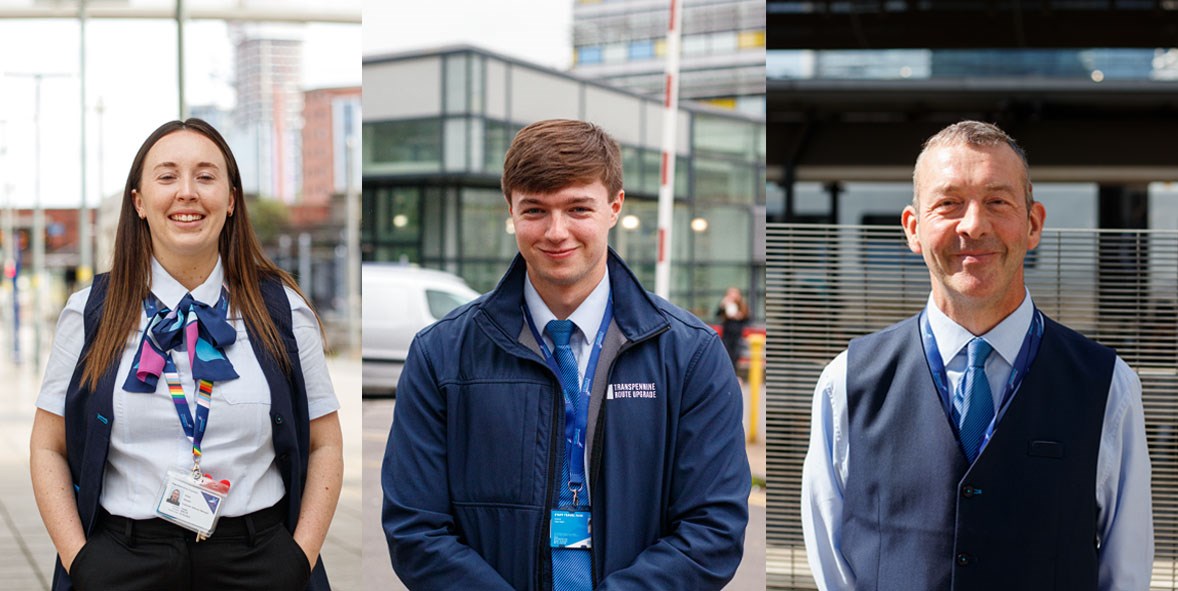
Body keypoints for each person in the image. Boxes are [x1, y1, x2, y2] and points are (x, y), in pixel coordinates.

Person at [382, 119, 750, 590]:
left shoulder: (691, 354)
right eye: (535, 210)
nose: (557, 232)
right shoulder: (440, 355)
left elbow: (713, 530)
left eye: (578, 208)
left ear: (615, 207)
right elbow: (415, 529)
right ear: (510, 211)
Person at [800, 120, 1154, 590]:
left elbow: (1125, 572)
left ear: (1033, 224)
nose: (973, 225)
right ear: (913, 228)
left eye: (997, 202)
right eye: (948, 203)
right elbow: (831, 562)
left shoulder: (1108, 385)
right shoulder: (846, 381)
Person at [30, 118, 343, 591]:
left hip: (258, 562)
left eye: (206, 175)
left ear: (231, 199)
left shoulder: (282, 310)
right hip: (125, 561)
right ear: (138, 201)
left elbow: (326, 444)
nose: (187, 192)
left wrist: (299, 558)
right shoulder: (90, 313)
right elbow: (46, 446)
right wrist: (82, 563)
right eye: (167, 175)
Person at [716, 287, 749, 372]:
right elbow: (717, 315)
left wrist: (739, 316)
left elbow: (747, 319)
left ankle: (734, 375)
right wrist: (722, 305)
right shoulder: (726, 305)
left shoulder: (742, 306)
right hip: (727, 335)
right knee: (726, 355)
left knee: (735, 356)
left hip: (737, 335)